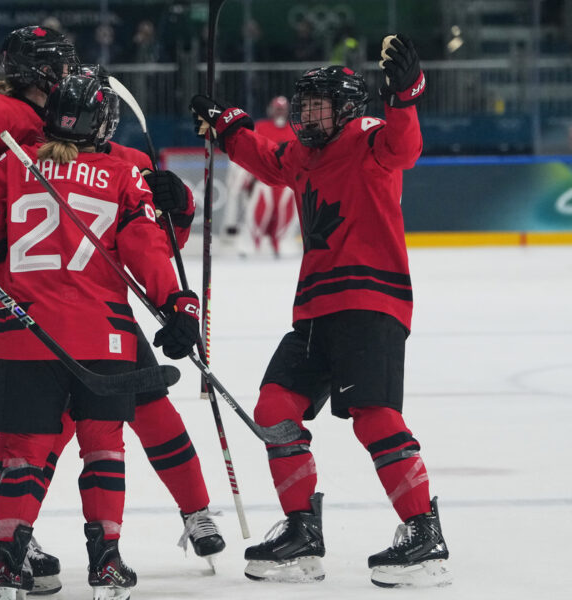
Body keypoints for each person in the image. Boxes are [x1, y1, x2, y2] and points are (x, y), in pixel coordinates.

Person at [0, 46, 226, 588]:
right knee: (93, 437)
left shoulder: (20, 158)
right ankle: (92, 552)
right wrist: (179, 301)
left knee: (30, 439)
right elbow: (150, 247)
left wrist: (179, 206)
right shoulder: (115, 167)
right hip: (97, 323)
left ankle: (6, 547)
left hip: (24, 318)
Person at [189, 36, 452, 588]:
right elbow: (266, 159)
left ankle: (423, 532)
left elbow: (404, 146)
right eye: (303, 107)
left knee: (374, 416)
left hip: (370, 302)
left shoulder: (369, 139)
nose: (307, 117)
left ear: (348, 109)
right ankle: (302, 531)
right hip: (314, 311)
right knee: (274, 407)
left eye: (318, 107)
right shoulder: (303, 156)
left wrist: (405, 94)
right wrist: (228, 126)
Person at [222, 96, 299, 257]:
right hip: (262, 181)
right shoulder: (260, 127)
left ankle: (282, 242)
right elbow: (251, 151)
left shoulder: (295, 130)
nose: (279, 112)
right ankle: (250, 242)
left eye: (282, 109)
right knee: (259, 207)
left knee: (287, 208)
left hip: (287, 184)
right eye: (277, 109)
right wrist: (245, 180)